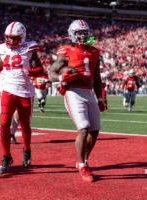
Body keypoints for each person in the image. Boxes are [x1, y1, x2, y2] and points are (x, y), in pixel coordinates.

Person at [0, 21, 43, 174]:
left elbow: (40, 70)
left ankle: (27, 150)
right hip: (7, 89)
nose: (10, 41)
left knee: (25, 124)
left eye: (14, 38)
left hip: (24, 91)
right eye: (8, 38)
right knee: (3, 124)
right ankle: (6, 156)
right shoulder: (3, 49)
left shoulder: (29, 49)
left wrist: (30, 72)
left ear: (22, 37)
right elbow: (0, 65)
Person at [49, 19, 106, 182]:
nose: (84, 35)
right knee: (83, 128)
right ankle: (82, 165)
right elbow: (51, 72)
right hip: (73, 91)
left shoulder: (95, 51)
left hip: (89, 92)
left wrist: (100, 97)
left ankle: (84, 160)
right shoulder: (66, 50)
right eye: (80, 33)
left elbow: (96, 78)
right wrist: (61, 77)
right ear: (72, 35)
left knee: (94, 131)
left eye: (86, 33)